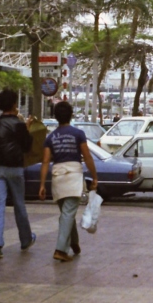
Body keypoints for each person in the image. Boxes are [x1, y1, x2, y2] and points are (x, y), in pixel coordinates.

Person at [0, 89, 36, 259]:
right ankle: (25, 239)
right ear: (14, 104)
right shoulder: (19, 125)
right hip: (16, 168)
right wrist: (27, 129)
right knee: (19, 204)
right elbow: (27, 147)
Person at [39, 102, 98, 262]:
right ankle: (60, 250)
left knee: (66, 213)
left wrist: (42, 184)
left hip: (57, 177)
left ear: (55, 117)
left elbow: (45, 162)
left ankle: (74, 243)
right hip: (73, 176)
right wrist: (94, 176)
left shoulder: (50, 137)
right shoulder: (78, 134)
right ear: (71, 115)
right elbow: (87, 156)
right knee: (68, 213)